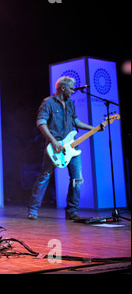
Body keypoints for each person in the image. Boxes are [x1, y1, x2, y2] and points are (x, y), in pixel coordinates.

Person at [27, 76, 103, 220]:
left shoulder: (70, 104)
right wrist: (54, 141)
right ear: (63, 88)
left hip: (72, 146)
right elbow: (41, 123)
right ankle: (33, 210)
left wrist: (94, 129)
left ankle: (72, 211)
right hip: (54, 146)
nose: (73, 91)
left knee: (77, 179)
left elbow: (76, 122)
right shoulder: (48, 102)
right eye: (71, 88)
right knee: (45, 177)